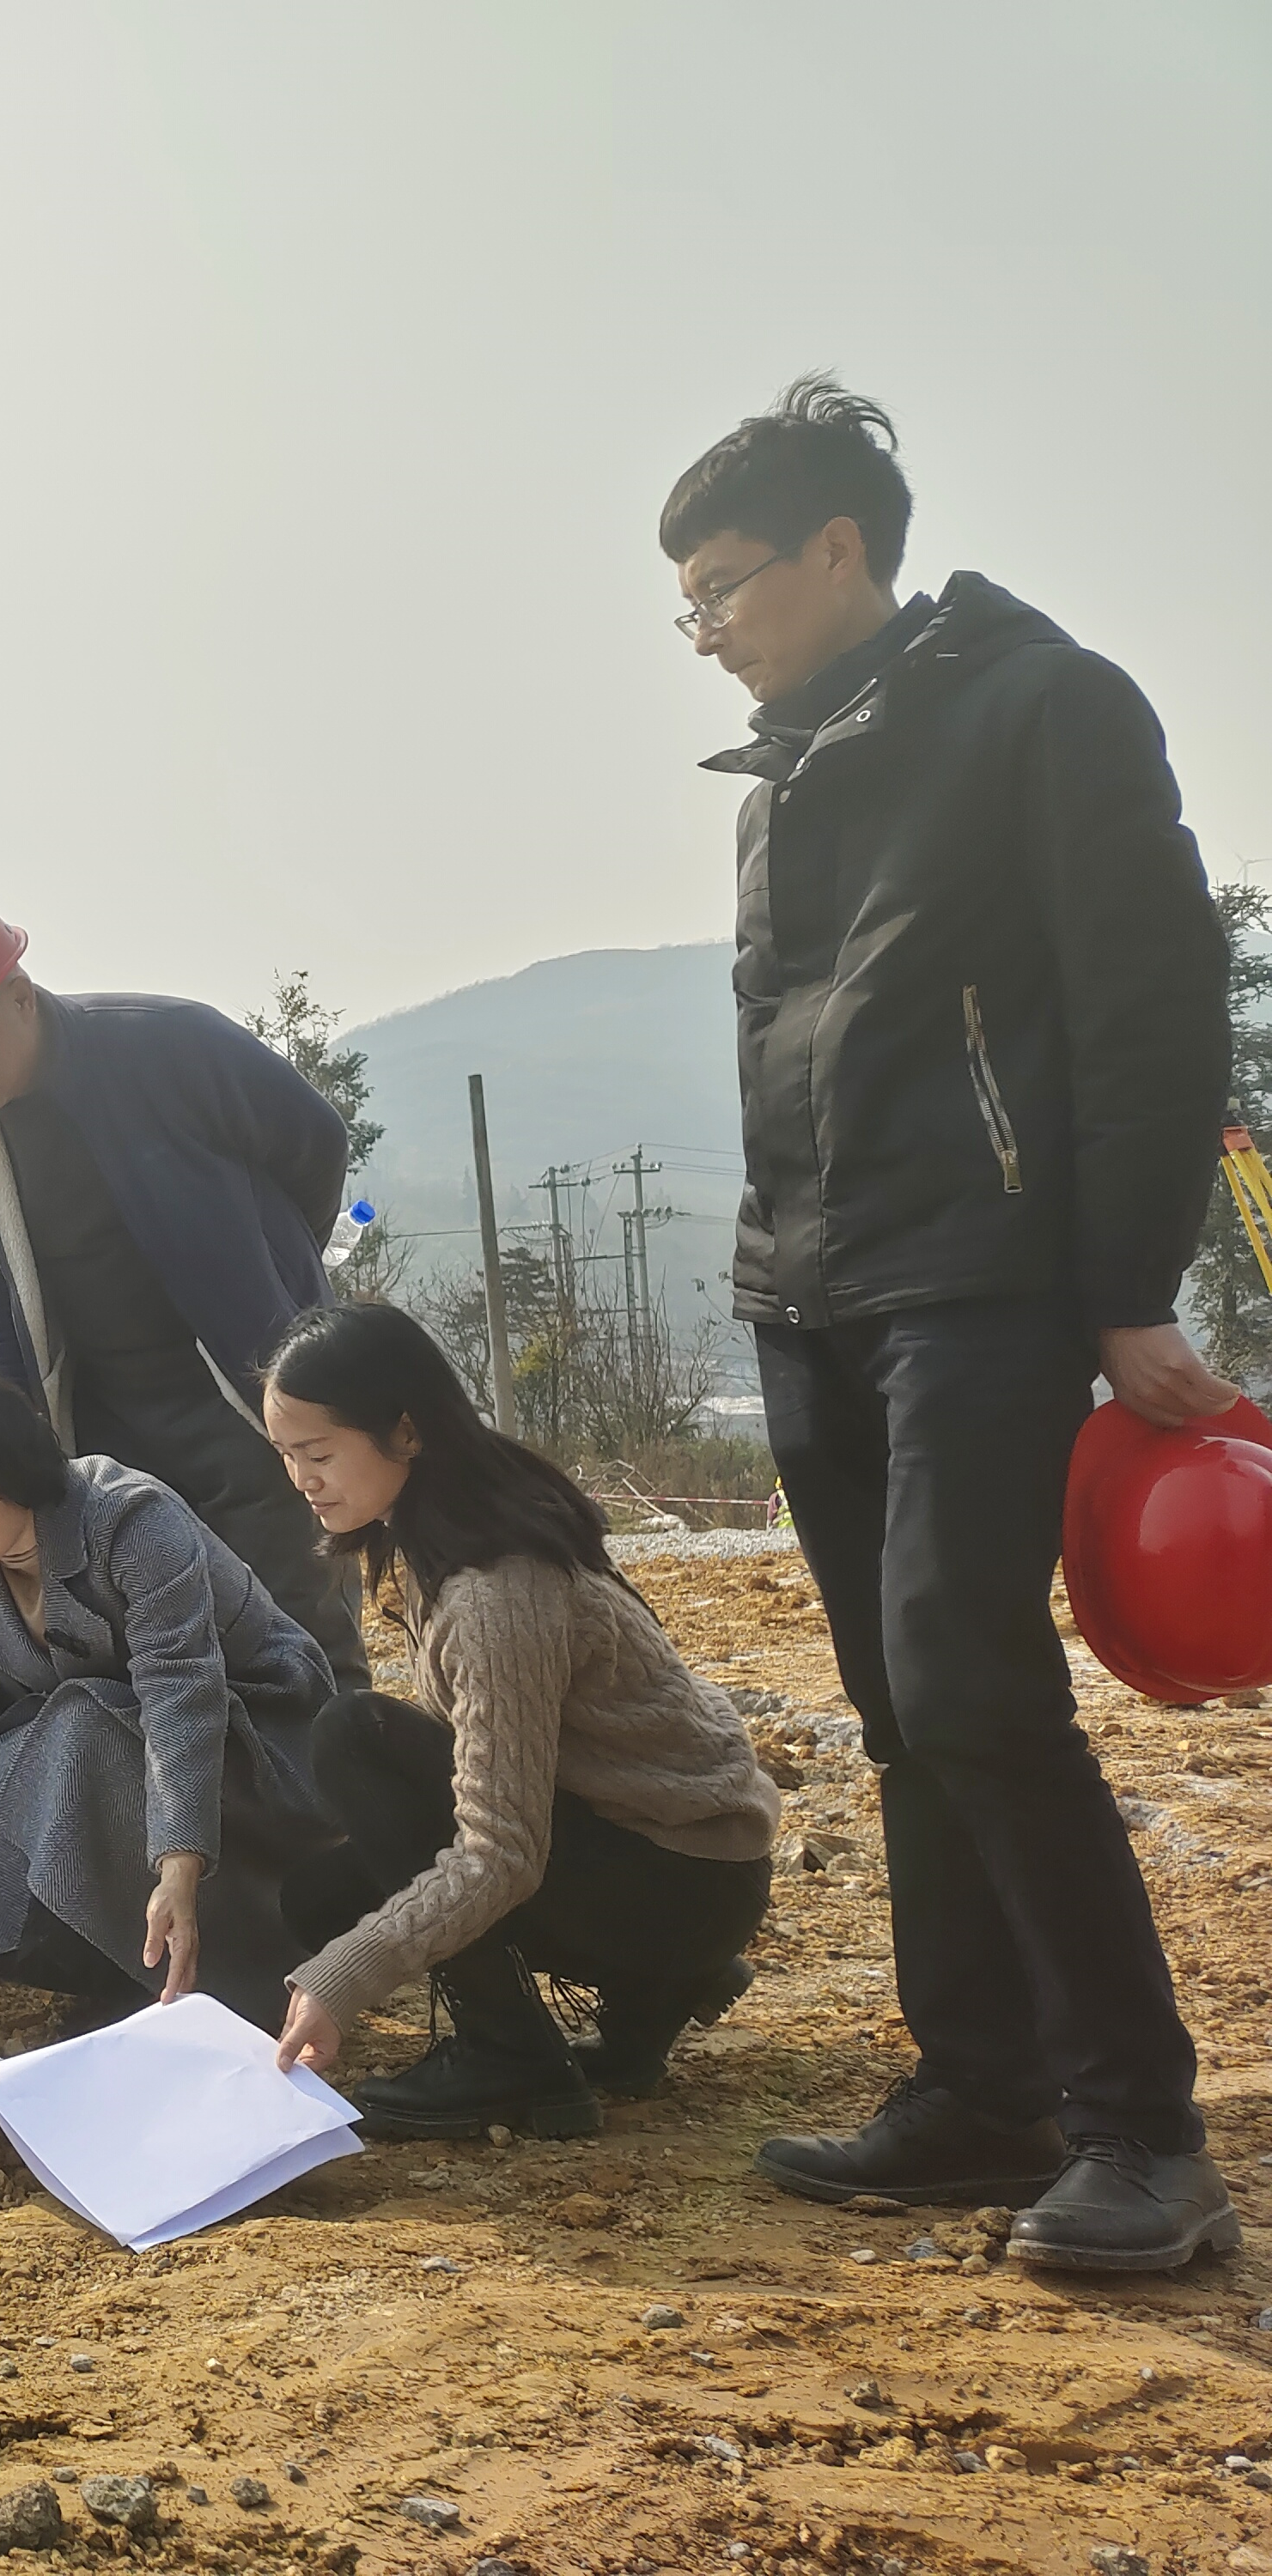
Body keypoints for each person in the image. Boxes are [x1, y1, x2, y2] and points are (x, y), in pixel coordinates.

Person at [665, 376, 1239, 2269]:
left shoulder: (1042, 706)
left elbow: (1151, 1005)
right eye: (685, 605)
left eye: (722, 586)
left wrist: (1121, 1285)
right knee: (901, 1707)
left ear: (839, 548)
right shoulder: (784, 772)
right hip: (810, 1289)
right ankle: (981, 2092)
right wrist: (772, 1265)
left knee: (970, 1680)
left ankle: (1140, 2134)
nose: (705, 631)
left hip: (983, 1281)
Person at [260, 1303, 781, 2140]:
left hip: (683, 1878)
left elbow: (501, 1853)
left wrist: (344, 1978)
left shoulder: (495, 1590)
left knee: (354, 1739)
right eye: (285, 1455)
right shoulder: (448, 1531)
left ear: (405, 1432)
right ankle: (654, 1993)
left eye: (318, 1454)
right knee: (325, 1898)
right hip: (654, 1858)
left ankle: (512, 2058)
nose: (301, 1480)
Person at [0, 886, 370, 1692]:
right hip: (108, 1433)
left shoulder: (168, 1045)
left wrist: (272, 1275)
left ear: (19, 995)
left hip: (244, 1400)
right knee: (164, 1659)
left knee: (300, 1636)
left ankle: (339, 1771)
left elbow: (315, 1143)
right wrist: (12, 1426)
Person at [0, 1370, 337, 2038]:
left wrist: (179, 1869)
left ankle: (230, 1979)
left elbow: (180, 1691)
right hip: (127, 1735)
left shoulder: (130, 1521)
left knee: (78, 1726)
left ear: (13, 1474)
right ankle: (113, 1972)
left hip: (263, 1731)